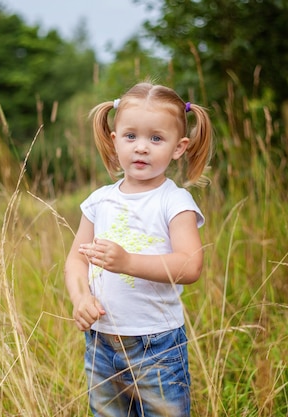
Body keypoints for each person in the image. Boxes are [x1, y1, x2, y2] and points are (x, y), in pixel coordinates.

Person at [64, 81, 212, 416]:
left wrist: (128, 261)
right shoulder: (100, 200)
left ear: (178, 147)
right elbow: (76, 260)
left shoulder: (174, 202)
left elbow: (190, 266)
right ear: (115, 141)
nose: (141, 148)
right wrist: (81, 298)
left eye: (156, 138)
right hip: (101, 344)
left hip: (156, 346)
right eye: (131, 136)